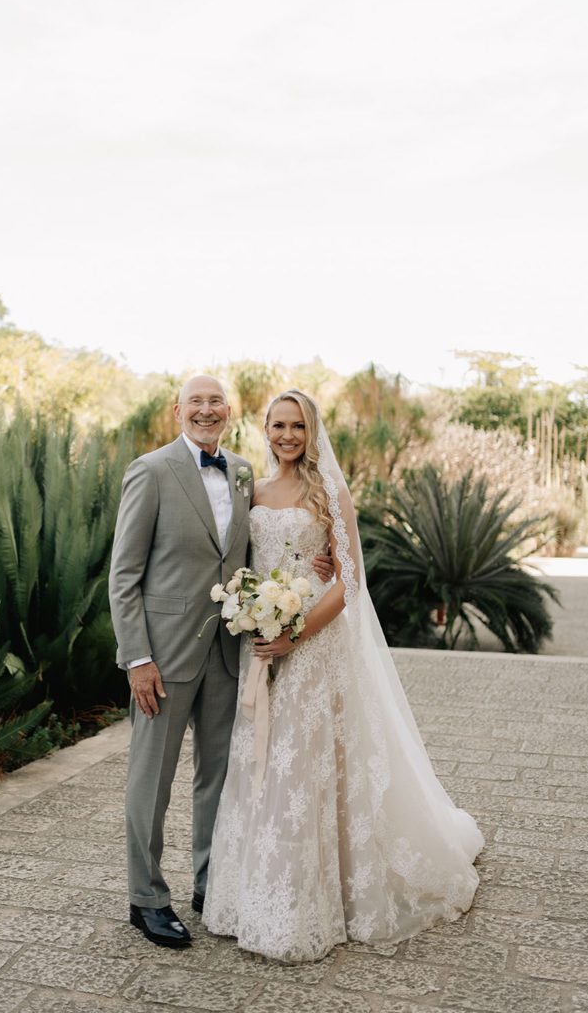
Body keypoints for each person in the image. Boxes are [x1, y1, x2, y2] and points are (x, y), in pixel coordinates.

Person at [202, 389, 485, 963]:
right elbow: (242, 566)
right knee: (262, 764)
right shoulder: (252, 491)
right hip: (262, 649)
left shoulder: (328, 491)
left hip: (312, 647)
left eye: (298, 426)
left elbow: (348, 583)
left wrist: (294, 632)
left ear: (312, 432)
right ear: (264, 428)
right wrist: (253, 613)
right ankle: (251, 894)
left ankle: (314, 902)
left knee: (307, 765)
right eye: (278, 425)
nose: (287, 435)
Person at [109, 375, 332, 949]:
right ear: (178, 410)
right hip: (163, 656)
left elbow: (260, 556)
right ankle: (147, 898)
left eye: (216, 402)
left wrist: (310, 583)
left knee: (219, 776)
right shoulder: (151, 470)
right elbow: (124, 576)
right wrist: (137, 658)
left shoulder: (240, 473)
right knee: (150, 780)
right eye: (197, 402)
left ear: (229, 413)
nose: (207, 410)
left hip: (231, 655)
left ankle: (211, 884)